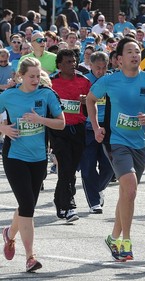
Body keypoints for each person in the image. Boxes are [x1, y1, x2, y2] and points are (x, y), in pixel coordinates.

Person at [86, 37, 145, 261]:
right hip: (115, 142)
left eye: (137, 51)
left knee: (127, 193)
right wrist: (96, 127)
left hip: (139, 143)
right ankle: (126, 242)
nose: (134, 55)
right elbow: (90, 100)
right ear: (119, 59)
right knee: (129, 188)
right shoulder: (110, 81)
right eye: (129, 51)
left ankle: (113, 238)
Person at [1, 57, 65, 272]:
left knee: (27, 205)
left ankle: (9, 234)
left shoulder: (46, 95)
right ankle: (30, 257)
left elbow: (61, 122)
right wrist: (3, 129)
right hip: (15, 156)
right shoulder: (8, 95)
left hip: (38, 158)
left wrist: (41, 120)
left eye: (38, 76)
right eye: (31, 76)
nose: (36, 80)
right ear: (20, 76)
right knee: (27, 206)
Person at [50, 49, 91, 223]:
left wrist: (86, 102)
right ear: (59, 65)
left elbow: (93, 105)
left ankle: (60, 200)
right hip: (59, 130)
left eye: (74, 61)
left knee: (71, 169)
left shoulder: (84, 81)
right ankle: (68, 206)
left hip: (78, 128)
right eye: (68, 62)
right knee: (65, 166)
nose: (72, 65)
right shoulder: (51, 83)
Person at [81, 51, 114, 214]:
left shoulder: (113, 80)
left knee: (110, 166)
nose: (101, 71)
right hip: (87, 127)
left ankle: (98, 188)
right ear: (91, 66)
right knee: (88, 166)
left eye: (104, 67)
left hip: (109, 128)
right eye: (97, 68)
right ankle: (94, 202)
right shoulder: (84, 81)